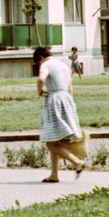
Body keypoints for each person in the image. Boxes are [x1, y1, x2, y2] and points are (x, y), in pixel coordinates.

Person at [34, 46, 88, 183]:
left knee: (51, 144)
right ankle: (54, 174)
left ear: (40, 58)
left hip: (54, 100)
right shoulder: (63, 65)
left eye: (38, 62)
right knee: (55, 140)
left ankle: (77, 162)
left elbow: (41, 79)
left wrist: (40, 91)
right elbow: (70, 87)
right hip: (67, 100)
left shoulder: (46, 64)